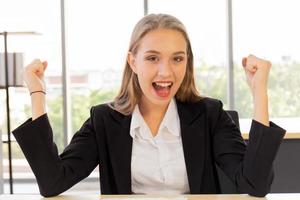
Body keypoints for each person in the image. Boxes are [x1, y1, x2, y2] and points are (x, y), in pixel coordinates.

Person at [13, 14, 285, 197]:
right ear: (133, 62)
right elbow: (52, 182)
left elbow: (255, 184)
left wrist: (259, 92)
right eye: (153, 58)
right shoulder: (105, 120)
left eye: (177, 59)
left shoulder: (208, 115)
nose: (166, 72)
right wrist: (38, 93)